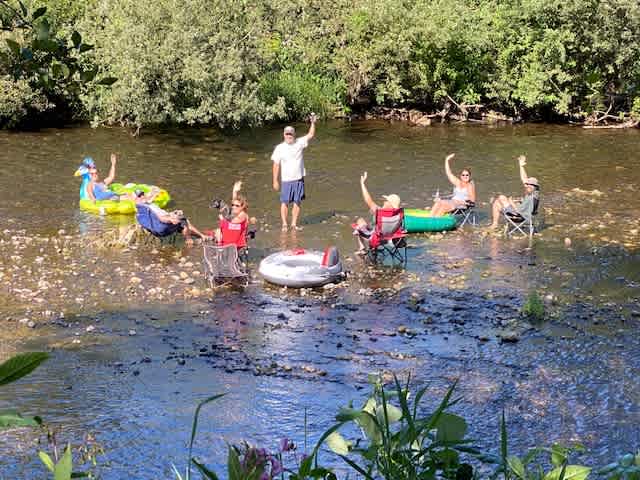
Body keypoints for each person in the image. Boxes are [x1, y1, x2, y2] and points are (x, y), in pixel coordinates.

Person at [271, 113, 317, 232]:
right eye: (287, 134)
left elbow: (311, 134)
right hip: (286, 180)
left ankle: (293, 224)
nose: (289, 136)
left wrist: (313, 123)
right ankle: (284, 224)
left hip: (298, 178)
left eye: (291, 134)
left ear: (294, 134)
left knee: (297, 202)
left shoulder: (299, 142)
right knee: (284, 203)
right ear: (284, 135)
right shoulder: (279, 148)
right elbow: (276, 164)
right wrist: (275, 181)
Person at [353, 171, 402, 254]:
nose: (384, 202)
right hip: (390, 239)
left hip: (376, 239)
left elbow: (368, 199)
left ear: (389, 203)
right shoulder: (398, 214)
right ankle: (370, 248)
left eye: (386, 200)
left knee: (360, 223)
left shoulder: (380, 212)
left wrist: (362, 183)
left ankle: (362, 248)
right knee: (367, 223)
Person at [135, 190, 207, 246]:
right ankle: (190, 239)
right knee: (184, 221)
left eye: (142, 194)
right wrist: (170, 219)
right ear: (136, 199)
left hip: (164, 221)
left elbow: (159, 215)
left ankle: (201, 236)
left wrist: (172, 213)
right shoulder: (147, 208)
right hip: (164, 225)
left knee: (180, 219)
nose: (142, 196)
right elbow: (161, 218)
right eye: (139, 195)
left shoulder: (147, 206)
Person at [490, 155, 540, 228]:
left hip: (518, 217)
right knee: (497, 202)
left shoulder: (531, 197)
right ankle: (494, 224)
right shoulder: (535, 193)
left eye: (531, 184)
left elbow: (518, 211)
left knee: (501, 198)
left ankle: (494, 225)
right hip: (524, 214)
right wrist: (521, 166)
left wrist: (511, 202)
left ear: (535, 187)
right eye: (528, 184)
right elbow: (524, 179)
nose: (528, 185)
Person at [209, 181, 256, 246]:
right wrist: (234, 191)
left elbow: (232, 220)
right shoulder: (234, 213)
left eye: (237, 206)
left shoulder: (243, 215)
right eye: (233, 205)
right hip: (224, 246)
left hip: (237, 247)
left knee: (218, 230)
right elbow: (233, 206)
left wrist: (222, 218)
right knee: (216, 231)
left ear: (242, 207)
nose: (234, 207)